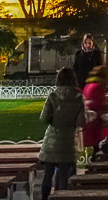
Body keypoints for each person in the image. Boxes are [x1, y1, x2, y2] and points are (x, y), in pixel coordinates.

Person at [38, 68, 83, 200]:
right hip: (68, 143)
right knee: (63, 177)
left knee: (48, 175)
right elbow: (81, 122)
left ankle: (44, 198)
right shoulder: (79, 98)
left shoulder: (53, 96)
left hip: (52, 143)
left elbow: (44, 119)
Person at [81, 66, 108, 150]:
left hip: (87, 122)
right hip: (96, 126)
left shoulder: (88, 85)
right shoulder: (98, 86)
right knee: (100, 149)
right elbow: (99, 105)